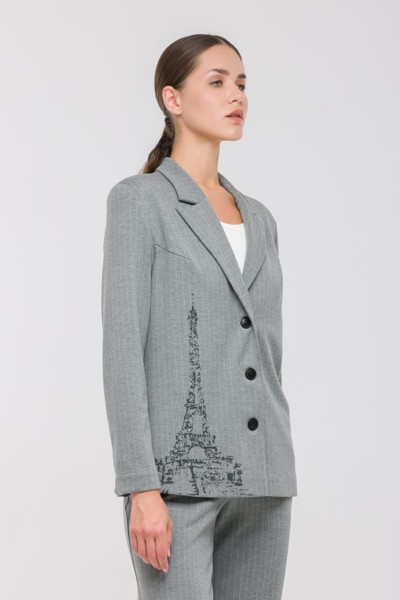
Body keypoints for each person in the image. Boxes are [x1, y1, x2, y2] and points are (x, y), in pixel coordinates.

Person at [101, 33, 298, 599]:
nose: (236, 95)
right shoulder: (140, 201)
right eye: (217, 82)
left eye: (241, 83)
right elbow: (122, 349)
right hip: (175, 481)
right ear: (173, 99)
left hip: (265, 474)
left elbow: (266, 348)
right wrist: (140, 486)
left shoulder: (260, 218)